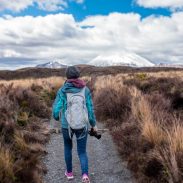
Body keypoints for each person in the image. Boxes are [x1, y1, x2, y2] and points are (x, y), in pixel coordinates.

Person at [52, 66, 97, 183]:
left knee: (68, 147)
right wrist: (93, 124)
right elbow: (90, 109)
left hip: (66, 126)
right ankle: (85, 175)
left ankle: (70, 173)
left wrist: (57, 117)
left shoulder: (62, 90)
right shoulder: (85, 90)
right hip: (82, 125)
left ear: (67, 76)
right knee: (82, 151)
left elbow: (56, 111)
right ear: (78, 75)